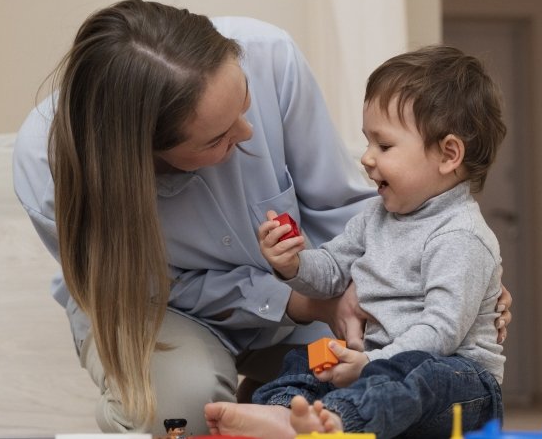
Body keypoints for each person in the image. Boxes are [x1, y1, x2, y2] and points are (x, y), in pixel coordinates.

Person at [11, 0, 513, 435]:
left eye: (245, 104)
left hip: (390, 351)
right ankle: (270, 409)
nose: (249, 132)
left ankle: (287, 410)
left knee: (379, 380)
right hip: (156, 305)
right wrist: (298, 291)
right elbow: (143, 287)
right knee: (184, 408)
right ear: (147, 154)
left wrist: (438, 284)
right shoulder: (47, 170)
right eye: (218, 138)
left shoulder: (269, 55)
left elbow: (346, 214)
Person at [204, 45, 506, 439]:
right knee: (302, 362)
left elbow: (440, 333)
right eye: (367, 143)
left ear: (448, 154)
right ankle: (284, 414)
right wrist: (291, 265)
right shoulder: (376, 217)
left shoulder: (461, 235)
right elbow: (330, 273)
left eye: (383, 146)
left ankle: (337, 420)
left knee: (421, 375)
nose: (366, 158)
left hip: (459, 383)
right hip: (377, 367)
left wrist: (369, 363)